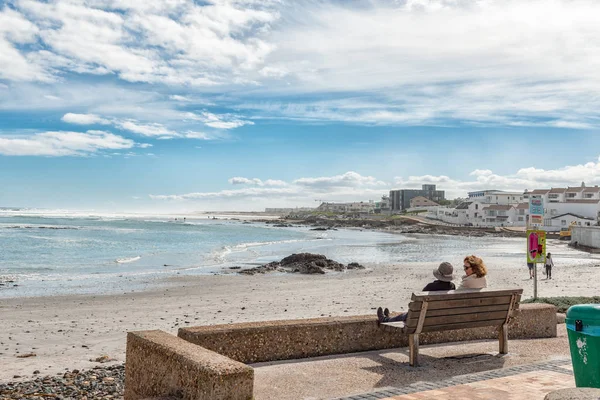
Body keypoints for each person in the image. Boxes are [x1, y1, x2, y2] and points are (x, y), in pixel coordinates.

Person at [377, 262, 455, 323]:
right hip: (443, 319)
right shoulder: (452, 287)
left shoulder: (430, 287)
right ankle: (388, 318)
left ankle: (384, 319)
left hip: (423, 318)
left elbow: (417, 304)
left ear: (438, 274)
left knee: (406, 316)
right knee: (405, 315)